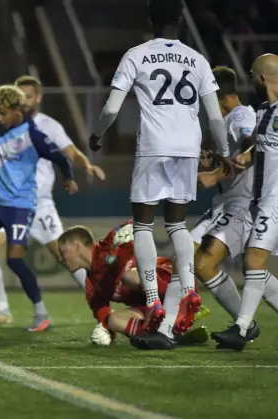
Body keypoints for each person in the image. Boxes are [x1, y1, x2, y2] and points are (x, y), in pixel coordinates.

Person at [88, 0, 232, 335]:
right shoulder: (197, 60)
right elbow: (213, 116)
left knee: (142, 225)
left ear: (151, 19)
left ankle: (153, 300)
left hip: (154, 148)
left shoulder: (136, 55)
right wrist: (224, 151)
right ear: (180, 20)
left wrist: (97, 134)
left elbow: (111, 108)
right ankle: (190, 291)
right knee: (178, 224)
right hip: (187, 148)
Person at [0, 75, 106, 327]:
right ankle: (2, 309)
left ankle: (100, 304)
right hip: (4, 203)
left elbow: (67, 153)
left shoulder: (46, 127)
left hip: (38, 203)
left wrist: (85, 166)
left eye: (29, 96)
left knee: (65, 256)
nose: (24, 100)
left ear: (38, 98)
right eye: (20, 95)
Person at [135, 66, 264, 349]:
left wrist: (215, 174)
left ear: (221, 94)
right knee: (188, 259)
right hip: (225, 205)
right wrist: (214, 161)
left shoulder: (240, 115)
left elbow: (249, 144)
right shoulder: (228, 118)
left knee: (202, 263)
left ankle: (242, 325)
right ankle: (167, 329)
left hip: (241, 206)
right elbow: (236, 155)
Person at [212, 54, 278, 350]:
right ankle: (241, 328)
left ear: (262, 78)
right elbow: (259, 147)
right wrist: (244, 156)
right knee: (254, 265)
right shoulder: (264, 112)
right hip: (263, 199)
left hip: (275, 199)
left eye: (252, 74)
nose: (249, 79)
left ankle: (241, 330)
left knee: (253, 261)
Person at [58, 222, 209, 348]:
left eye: (63, 251)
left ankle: (184, 304)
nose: (61, 258)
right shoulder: (92, 287)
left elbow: (139, 220)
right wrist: (105, 332)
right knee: (114, 320)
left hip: (173, 280)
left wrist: (131, 229)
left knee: (129, 276)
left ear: (76, 246)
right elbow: (103, 316)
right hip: (151, 309)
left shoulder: (108, 246)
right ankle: (168, 335)